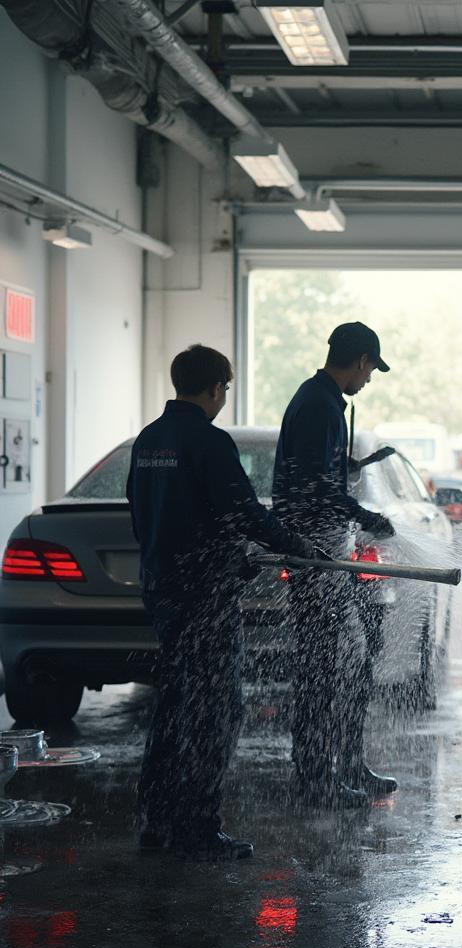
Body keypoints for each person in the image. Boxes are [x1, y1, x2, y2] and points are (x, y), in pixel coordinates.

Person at [127, 344, 317, 862]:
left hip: (164, 590)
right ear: (215, 388)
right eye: (225, 389)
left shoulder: (149, 440)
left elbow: (145, 514)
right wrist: (295, 544)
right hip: (204, 596)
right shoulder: (209, 442)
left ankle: (156, 819)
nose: (223, 398)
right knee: (216, 710)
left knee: (174, 702)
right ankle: (197, 829)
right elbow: (243, 512)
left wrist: (227, 556)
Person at [272, 321, 398, 809]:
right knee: (322, 668)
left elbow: (317, 474)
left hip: (328, 551)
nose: (368, 380)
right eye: (370, 370)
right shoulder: (319, 405)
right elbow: (311, 485)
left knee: (348, 662)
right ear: (362, 360)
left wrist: (342, 478)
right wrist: (363, 513)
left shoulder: (319, 402)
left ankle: (346, 765)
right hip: (316, 553)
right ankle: (316, 778)